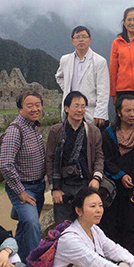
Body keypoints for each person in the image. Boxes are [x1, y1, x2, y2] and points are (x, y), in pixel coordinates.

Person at [99, 96, 134, 256]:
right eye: (128, 110)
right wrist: (121, 175)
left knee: (132, 226)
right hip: (112, 189)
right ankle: (111, 261)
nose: (132, 114)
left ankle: (130, 263)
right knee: (110, 225)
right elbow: (105, 159)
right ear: (119, 113)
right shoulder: (109, 134)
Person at [0, 90, 47, 263]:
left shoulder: (34, 127)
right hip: (23, 188)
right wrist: (20, 192)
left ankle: (15, 259)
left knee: (25, 226)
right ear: (20, 109)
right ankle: (35, 266)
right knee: (32, 224)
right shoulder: (15, 130)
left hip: (38, 186)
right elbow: (5, 163)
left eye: (37, 105)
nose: (35, 109)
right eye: (29, 105)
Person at [45, 91, 104, 225]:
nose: (80, 110)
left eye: (83, 106)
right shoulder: (56, 131)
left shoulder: (93, 131)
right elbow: (50, 159)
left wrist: (96, 178)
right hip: (63, 185)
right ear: (66, 108)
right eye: (76, 106)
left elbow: (99, 157)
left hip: (85, 183)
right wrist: (55, 188)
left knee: (88, 225)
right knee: (62, 227)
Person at [55, 26, 110, 128]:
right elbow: (59, 77)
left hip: (91, 111)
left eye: (84, 37)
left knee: (92, 141)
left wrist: (100, 113)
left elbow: (104, 90)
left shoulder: (99, 61)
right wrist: (68, 89)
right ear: (72, 41)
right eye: (77, 37)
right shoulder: (65, 60)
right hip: (70, 111)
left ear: (89, 40)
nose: (81, 39)